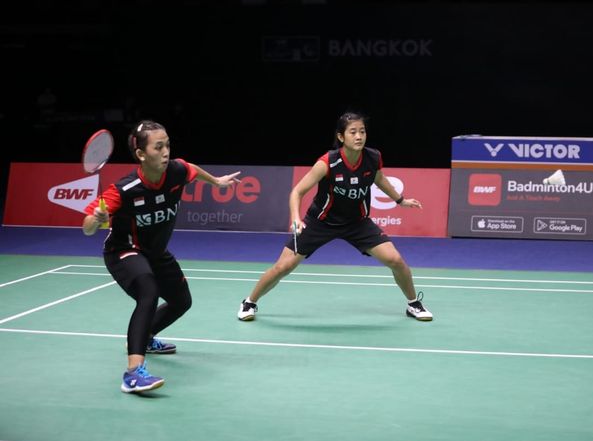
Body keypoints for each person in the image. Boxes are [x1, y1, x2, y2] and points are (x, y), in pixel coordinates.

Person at [82, 120, 241, 394]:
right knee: (148, 291)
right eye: (159, 147)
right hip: (124, 250)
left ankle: (146, 336)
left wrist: (216, 182)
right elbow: (86, 228)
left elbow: (191, 169)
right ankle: (133, 373)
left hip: (156, 253)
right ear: (142, 155)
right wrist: (97, 219)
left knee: (182, 301)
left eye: (167, 144)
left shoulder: (176, 171)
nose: (166, 151)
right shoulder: (124, 189)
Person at [237, 111, 432, 322]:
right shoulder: (327, 162)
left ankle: (413, 304)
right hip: (321, 222)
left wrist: (400, 200)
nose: (359, 136)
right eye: (353, 132)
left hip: (357, 223)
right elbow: (297, 192)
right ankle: (250, 302)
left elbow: (379, 179)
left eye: (362, 132)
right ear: (341, 137)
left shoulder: (372, 157)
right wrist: (295, 217)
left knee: (395, 260)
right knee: (283, 266)